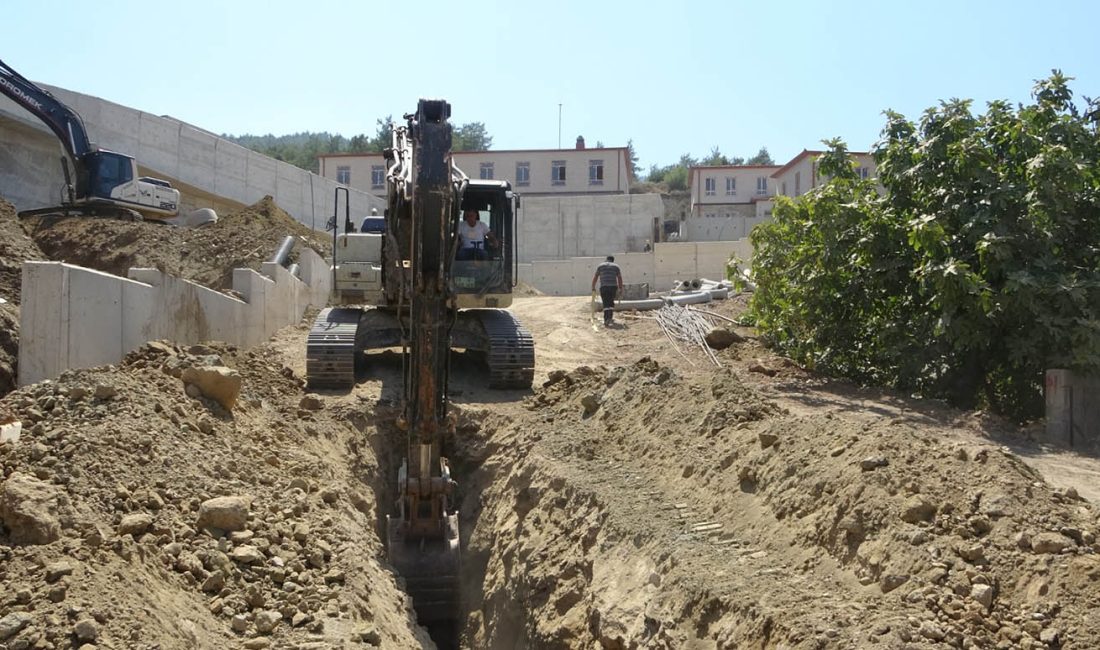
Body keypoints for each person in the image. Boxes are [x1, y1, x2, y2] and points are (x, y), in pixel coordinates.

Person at [591, 255, 624, 327]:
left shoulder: (600, 266)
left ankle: (606, 319)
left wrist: (593, 286)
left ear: (606, 259)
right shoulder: (616, 267)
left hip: (604, 287)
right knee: (611, 302)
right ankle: (610, 317)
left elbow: (596, 277)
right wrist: (620, 288)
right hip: (613, 287)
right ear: (613, 260)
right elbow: (619, 278)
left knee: (605, 302)